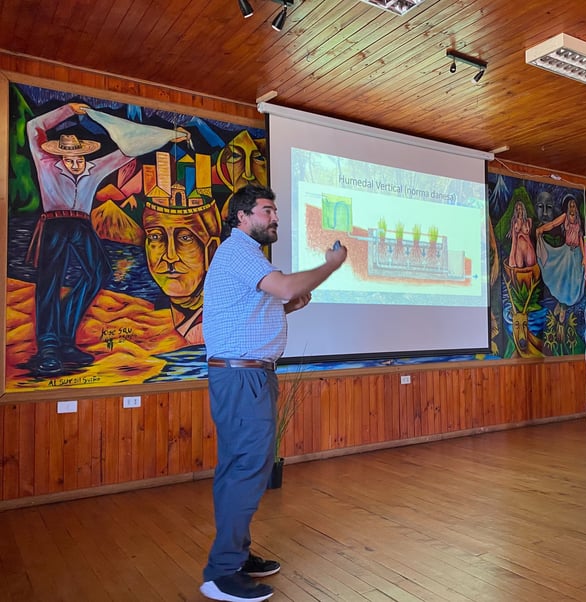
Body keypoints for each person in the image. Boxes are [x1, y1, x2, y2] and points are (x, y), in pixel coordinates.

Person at [201, 183, 347, 602]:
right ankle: (221, 573)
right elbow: (282, 286)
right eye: (267, 210)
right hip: (241, 377)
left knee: (240, 468)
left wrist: (286, 308)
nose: (275, 217)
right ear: (242, 216)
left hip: (247, 376)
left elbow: (247, 310)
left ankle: (236, 555)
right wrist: (332, 265)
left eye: (275, 211)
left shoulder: (245, 256)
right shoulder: (239, 251)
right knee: (247, 469)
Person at [25, 102, 187, 376]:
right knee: (49, 283)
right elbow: (33, 127)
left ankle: (65, 340)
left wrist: (170, 136)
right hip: (54, 224)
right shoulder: (46, 164)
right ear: (59, 156)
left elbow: (129, 150)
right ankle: (49, 347)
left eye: (78, 156)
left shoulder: (93, 168)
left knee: (97, 273)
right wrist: (68, 110)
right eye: (68, 156)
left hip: (82, 225)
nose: (75, 162)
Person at [142, 199, 222, 344]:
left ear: (211, 250)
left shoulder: (213, 326)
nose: (170, 256)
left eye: (185, 238)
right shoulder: (151, 316)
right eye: (155, 237)